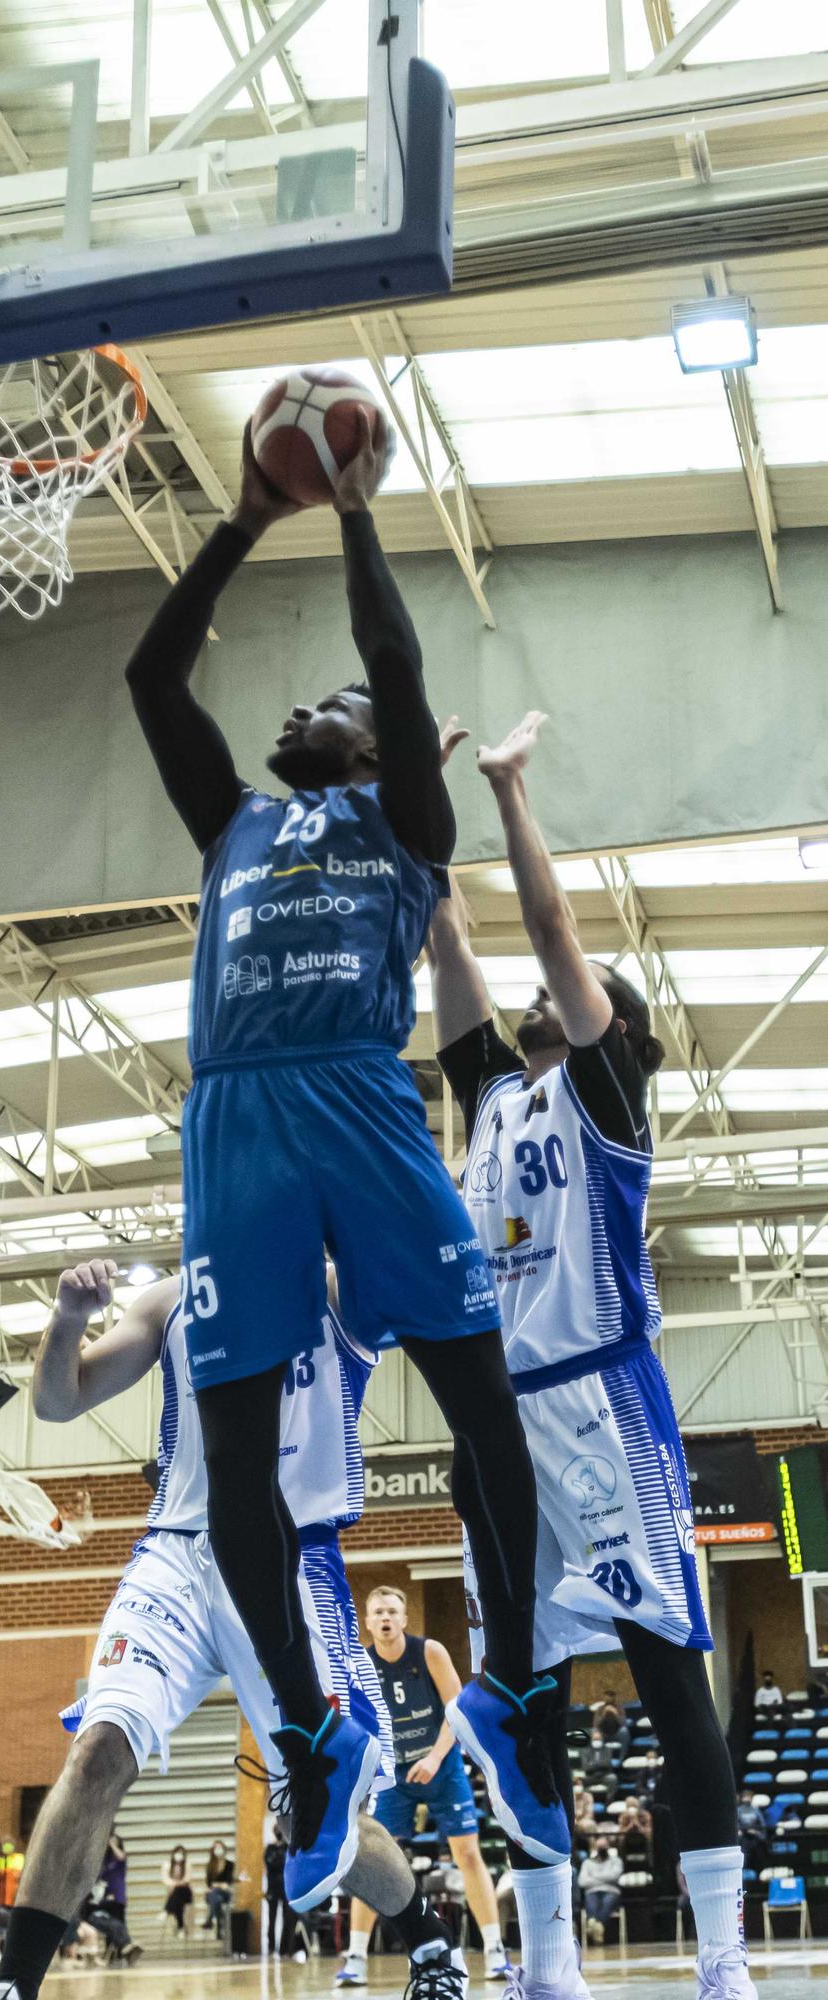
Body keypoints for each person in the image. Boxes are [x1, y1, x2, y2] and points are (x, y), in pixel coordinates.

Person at [122, 422, 566, 1903]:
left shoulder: (406, 824)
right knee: (230, 1470)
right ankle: (318, 1740)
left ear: (381, 749)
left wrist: (361, 510)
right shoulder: (234, 823)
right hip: (237, 1120)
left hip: (363, 1108)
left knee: (484, 1415)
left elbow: (399, 661)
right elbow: (151, 680)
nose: (319, 698)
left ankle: (507, 1689)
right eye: (312, 694)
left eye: (348, 700)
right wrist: (246, 516)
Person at [427, 707, 753, 2000]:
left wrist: (508, 793)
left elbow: (553, 936)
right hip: (500, 1425)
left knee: (671, 1673)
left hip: (602, 1403)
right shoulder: (495, 1098)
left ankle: (721, 1960)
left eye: (577, 1000)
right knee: (525, 1699)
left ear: (612, 1029)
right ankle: (547, 1966)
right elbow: (445, 938)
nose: (546, 999)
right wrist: (413, 811)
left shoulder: (602, 1098)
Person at [0, 1261, 468, 2000]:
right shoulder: (170, 1297)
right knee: (97, 1751)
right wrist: (71, 1316)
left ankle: (432, 1948)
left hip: (291, 1554)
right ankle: (12, 1986)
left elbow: (439, 1294)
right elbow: (56, 1401)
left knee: (317, 1802)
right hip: (176, 1551)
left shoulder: (338, 1285)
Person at [341, 1585, 508, 1984]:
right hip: (393, 1774)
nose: (385, 1618)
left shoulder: (429, 1651)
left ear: (404, 1618)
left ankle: (495, 1949)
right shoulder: (361, 1663)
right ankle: (355, 1958)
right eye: (378, 1611)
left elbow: (458, 1710)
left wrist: (434, 1757)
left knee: (467, 1854)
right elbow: (357, 1724)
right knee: (372, 1859)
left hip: (441, 1763)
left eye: (392, 1611)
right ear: (367, 1621)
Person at [264, 1827, 304, 1960]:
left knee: (288, 1917)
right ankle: (271, 1947)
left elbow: (290, 1864)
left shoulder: (288, 1848)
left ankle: (285, 1948)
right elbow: (271, 1864)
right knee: (272, 1918)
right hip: (273, 1888)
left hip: (286, 1887)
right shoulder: (270, 1849)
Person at [577, 1839, 623, 1943]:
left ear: (608, 1847)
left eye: (604, 1846)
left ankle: (594, 1926)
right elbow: (582, 1882)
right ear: (595, 1848)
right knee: (592, 1904)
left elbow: (615, 1876)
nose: (602, 1849)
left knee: (607, 1903)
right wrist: (605, 1879)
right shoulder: (587, 1863)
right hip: (592, 1892)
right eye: (599, 1847)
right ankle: (598, 1928)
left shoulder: (616, 1861)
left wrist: (593, 1877)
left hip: (611, 1891)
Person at [201, 1841, 234, 1932]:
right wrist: (217, 1885)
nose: (218, 1850)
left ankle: (211, 1918)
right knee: (217, 1898)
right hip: (213, 1894)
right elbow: (209, 1883)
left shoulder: (230, 1864)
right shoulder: (210, 1865)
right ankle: (218, 1925)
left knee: (216, 1895)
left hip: (225, 1893)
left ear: (224, 1850)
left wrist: (217, 1885)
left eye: (220, 1848)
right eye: (216, 1848)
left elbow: (228, 1881)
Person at [160, 1848, 191, 1936]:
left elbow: (187, 1879)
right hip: (174, 1894)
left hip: (186, 1892)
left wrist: (176, 1884)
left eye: (181, 1854)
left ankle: (166, 1910)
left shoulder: (187, 1865)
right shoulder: (167, 1865)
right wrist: (176, 1883)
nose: (179, 1856)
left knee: (178, 1891)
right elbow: (165, 1879)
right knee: (178, 1904)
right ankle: (181, 1928)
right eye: (177, 1853)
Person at [100, 1830, 127, 1924]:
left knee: (118, 1921)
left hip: (118, 1895)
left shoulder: (120, 1857)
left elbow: (121, 1857)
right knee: (109, 1922)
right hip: (106, 1895)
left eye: (115, 1840)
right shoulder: (106, 1858)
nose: (111, 1841)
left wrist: (113, 1845)